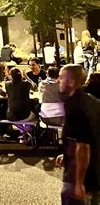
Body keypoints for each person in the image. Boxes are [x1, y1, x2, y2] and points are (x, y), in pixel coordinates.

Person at [56, 64, 99, 204]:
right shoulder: (91, 101)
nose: (57, 80)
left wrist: (78, 183)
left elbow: (83, 146)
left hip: (79, 178)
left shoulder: (74, 106)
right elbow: (89, 135)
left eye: (61, 77)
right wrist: (68, 154)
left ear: (71, 82)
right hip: (96, 174)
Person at [5, 67, 37, 144]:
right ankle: (27, 133)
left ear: (11, 76)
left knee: (17, 113)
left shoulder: (7, 84)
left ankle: (23, 132)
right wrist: (26, 77)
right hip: (24, 115)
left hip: (10, 116)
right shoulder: (26, 84)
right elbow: (35, 88)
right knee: (35, 114)